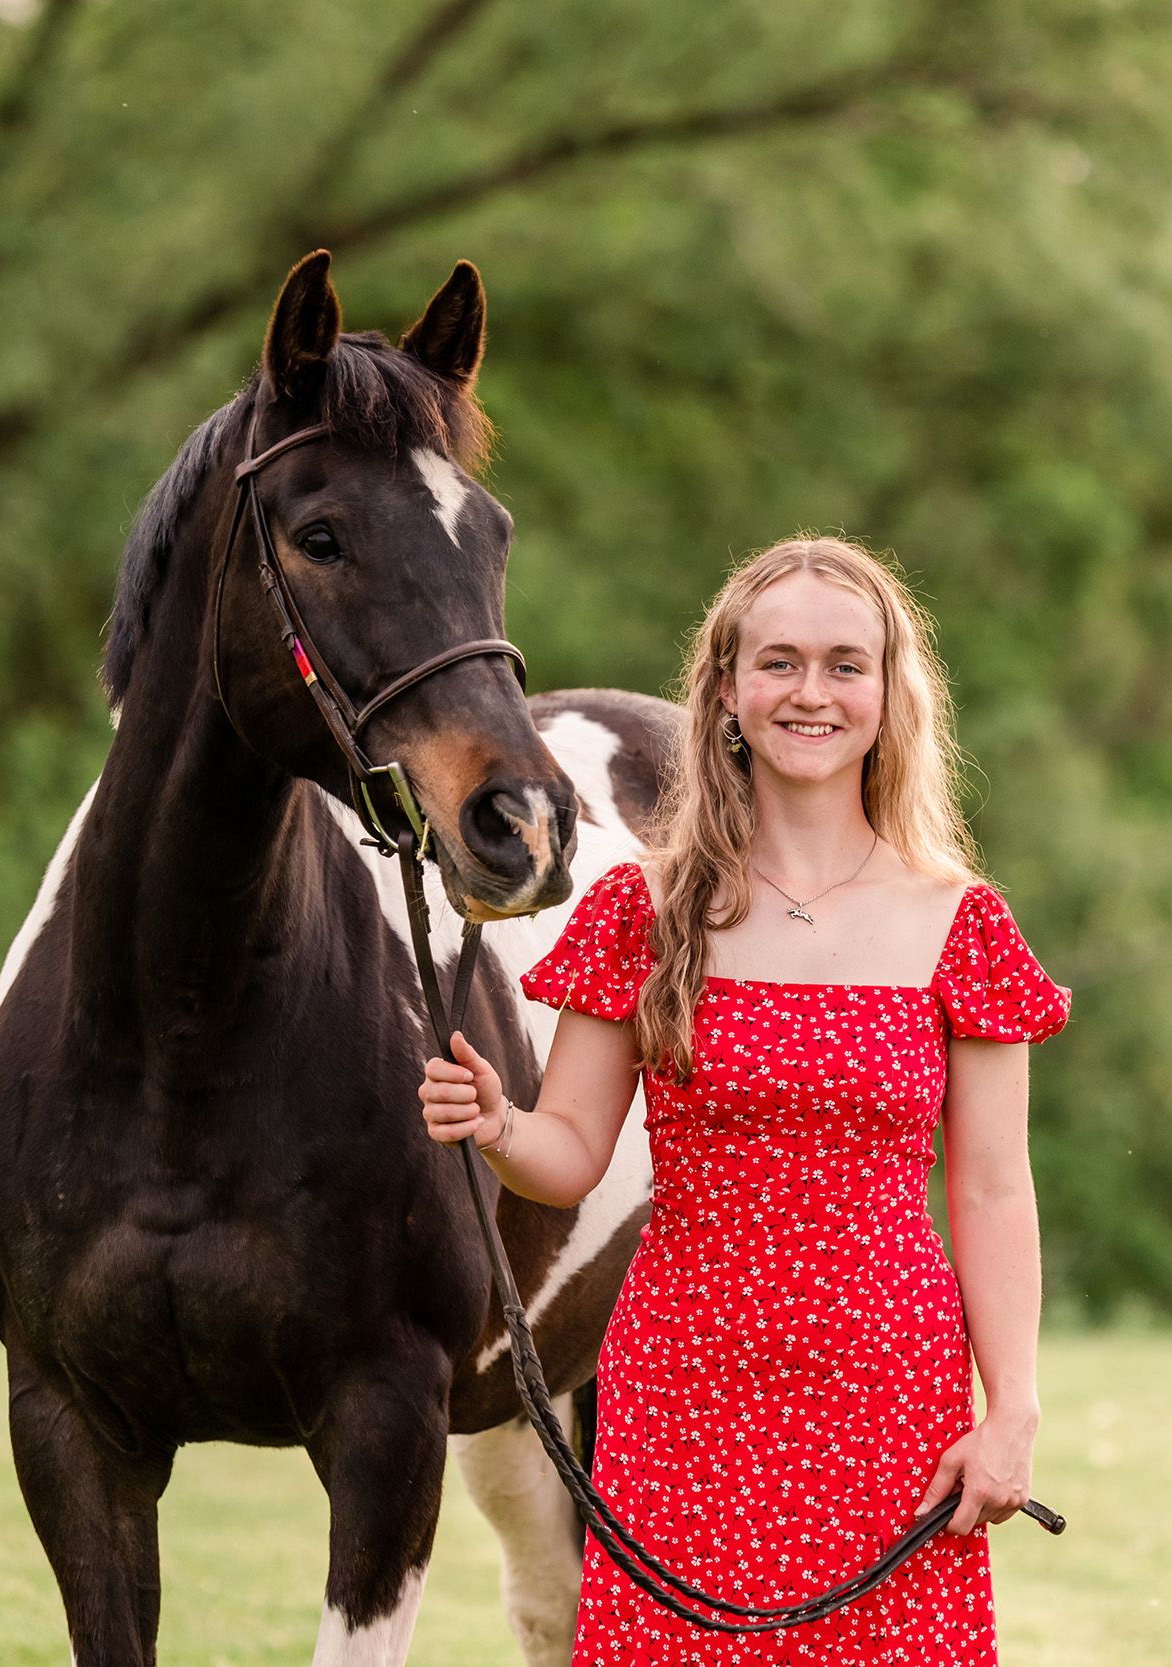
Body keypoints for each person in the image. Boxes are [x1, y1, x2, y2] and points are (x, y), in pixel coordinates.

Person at [420, 534, 1072, 1664]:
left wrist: (1008, 1409)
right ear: (726, 687)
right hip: (681, 1392)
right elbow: (569, 1149)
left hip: (891, 1397)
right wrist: (498, 1125)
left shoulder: (960, 922)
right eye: (777, 662)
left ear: (888, 690)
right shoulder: (644, 908)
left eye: (842, 663)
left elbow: (992, 1185)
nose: (808, 692)